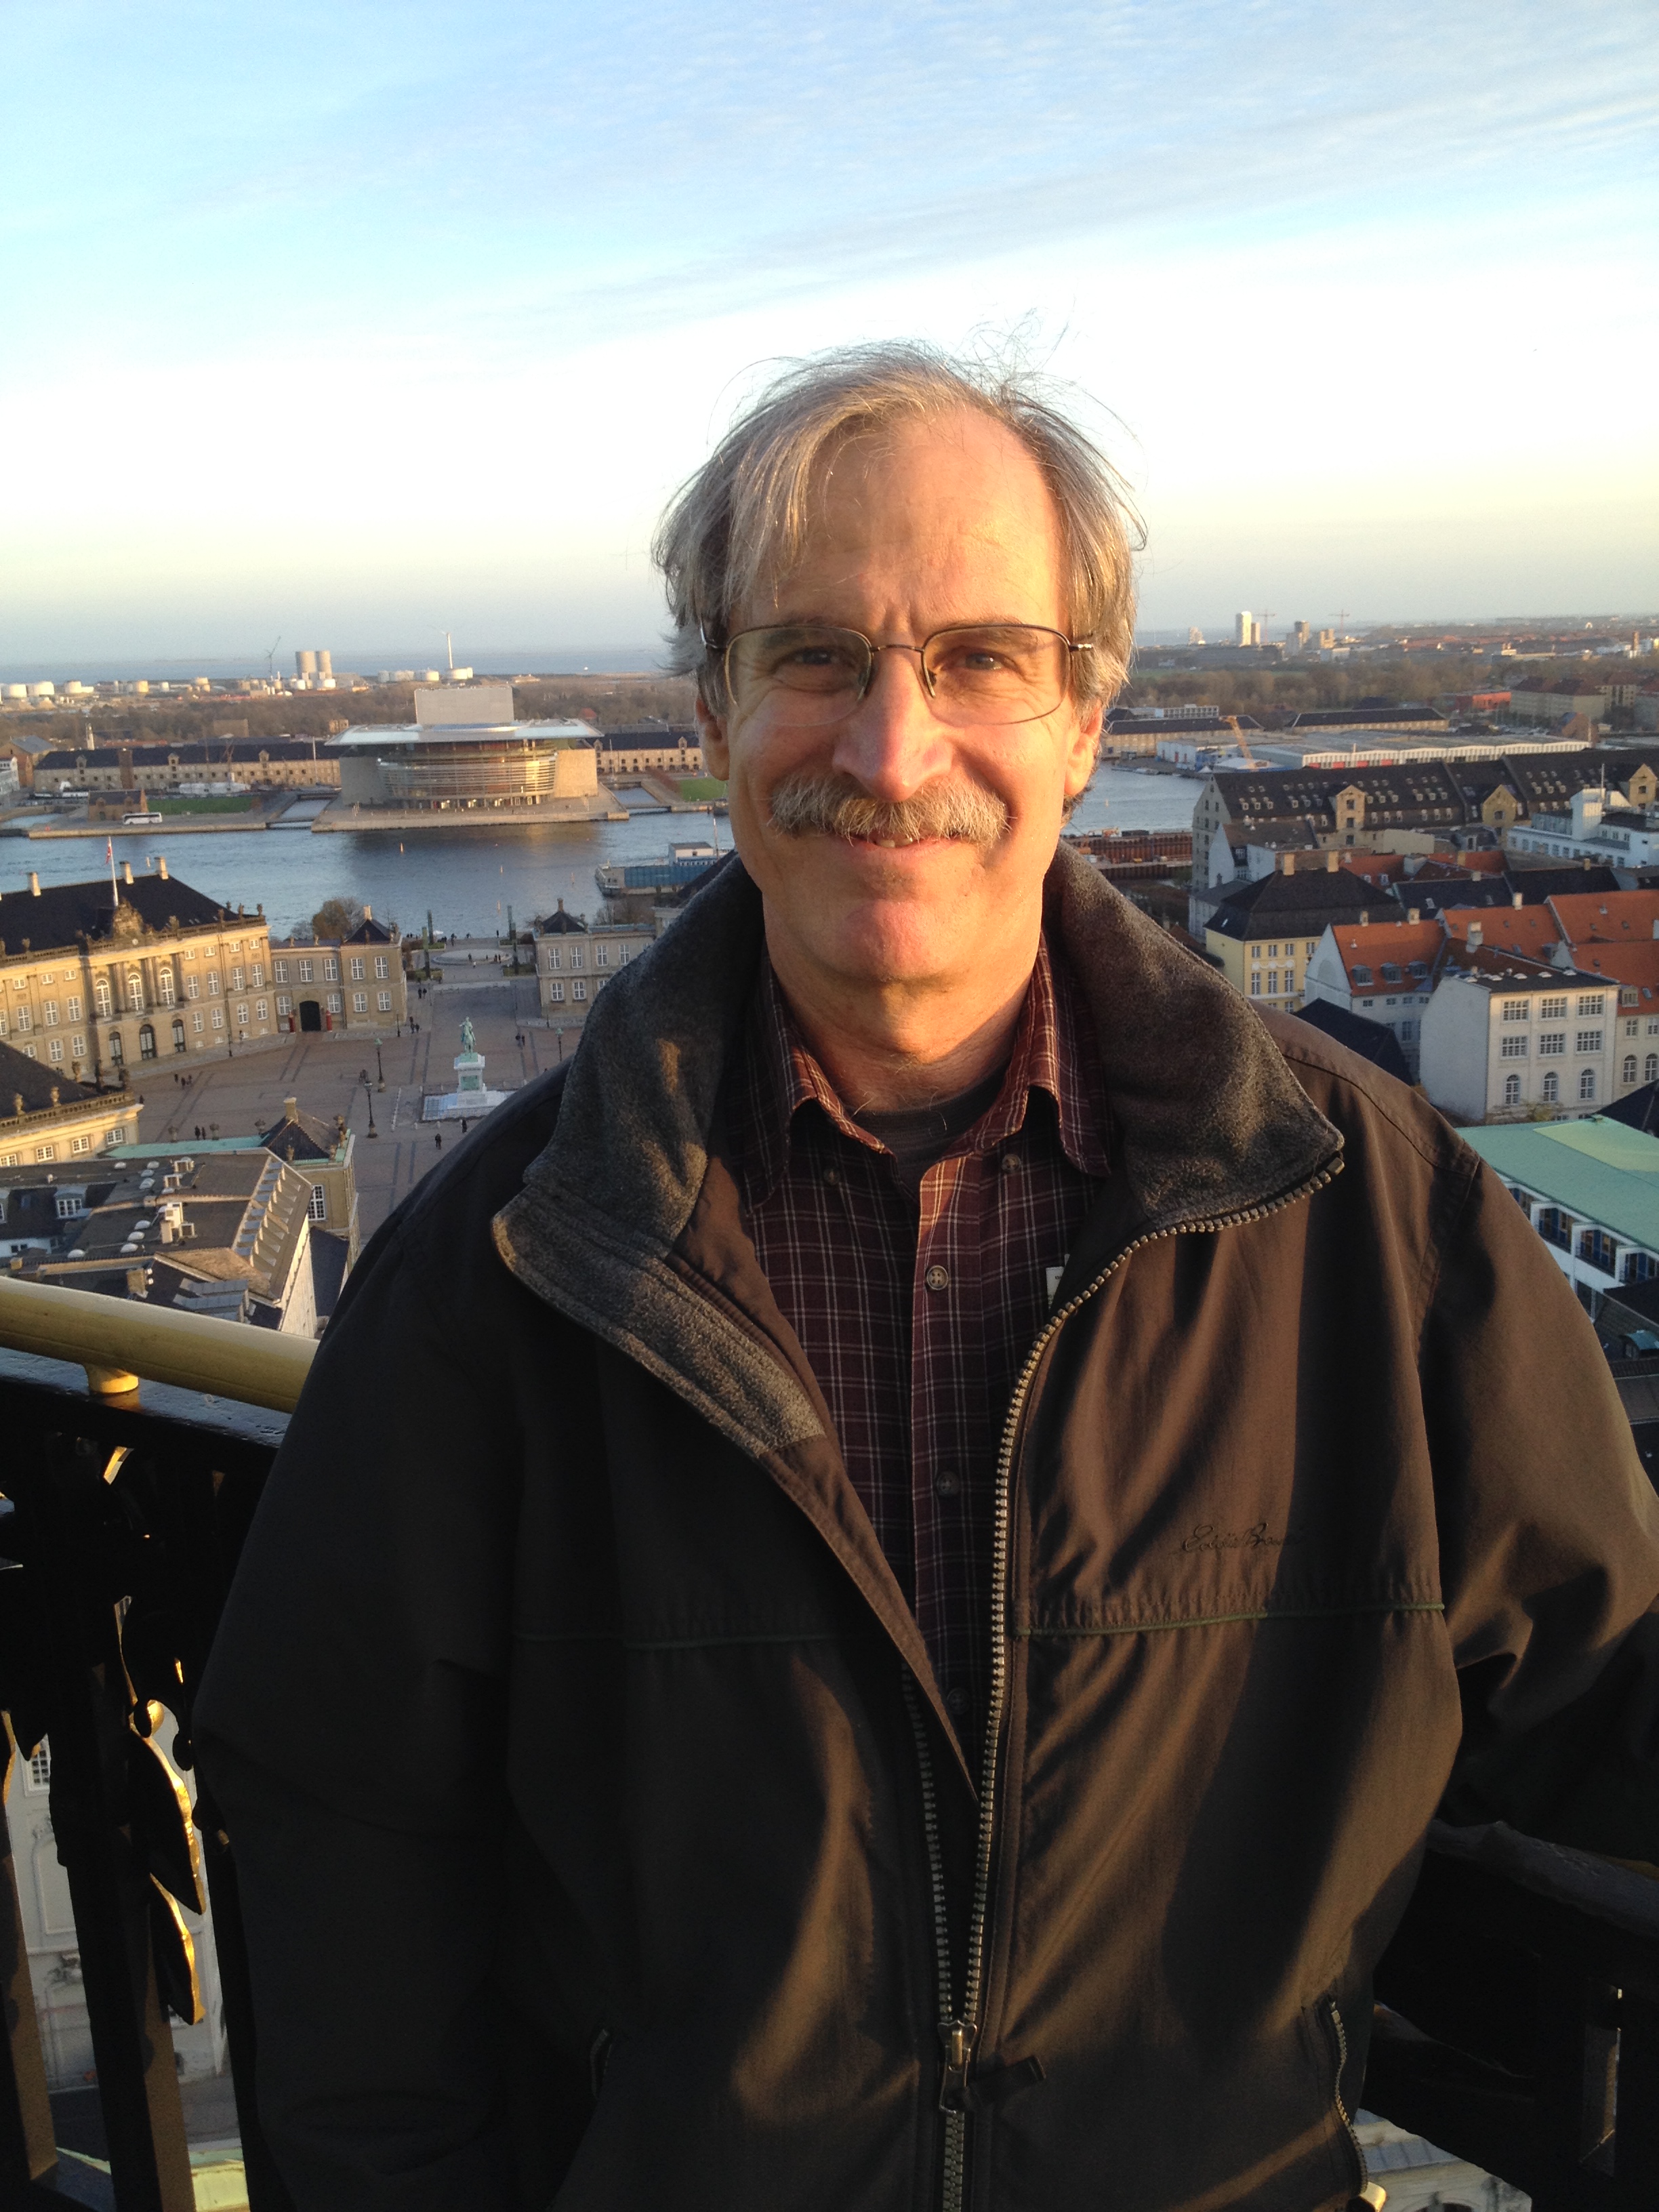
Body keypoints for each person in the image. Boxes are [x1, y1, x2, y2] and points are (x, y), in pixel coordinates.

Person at [199, 344, 1659, 2212]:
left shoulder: (1373, 1216)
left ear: (1085, 718)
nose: (893, 754)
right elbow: (344, 1888)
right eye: (817, 656)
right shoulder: (496, 1271)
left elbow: (1613, 1694)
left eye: (978, 658)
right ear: (713, 711)